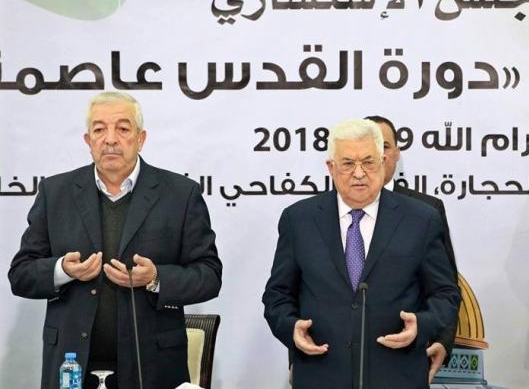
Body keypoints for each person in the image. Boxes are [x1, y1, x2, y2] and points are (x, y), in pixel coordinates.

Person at [8, 92, 223, 389]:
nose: (110, 139)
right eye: (99, 130)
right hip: (72, 368)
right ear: (88, 141)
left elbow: (209, 276)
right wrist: (62, 270)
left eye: (122, 128)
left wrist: (156, 278)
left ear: (141, 138)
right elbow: (20, 274)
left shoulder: (180, 194)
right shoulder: (55, 193)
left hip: (152, 370)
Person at [263, 118, 460, 389]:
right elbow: (277, 295)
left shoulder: (421, 219)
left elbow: (446, 294)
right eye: (347, 163)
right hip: (321, 375)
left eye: (368, 162)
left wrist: (422, 325)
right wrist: (291, 327)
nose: (359, 173)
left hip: (397, 376)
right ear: (331, 167)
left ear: (383, 161)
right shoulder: (298, 220)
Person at [365, 115, 459, 383]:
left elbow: (445, 287)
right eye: (368, 147)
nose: (377, 155)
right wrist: (297, 358)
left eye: (383, 146)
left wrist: (442, 341)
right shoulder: (324, 211)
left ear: (396, 152)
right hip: (335, 360)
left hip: (404, 358)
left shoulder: (426, 210)